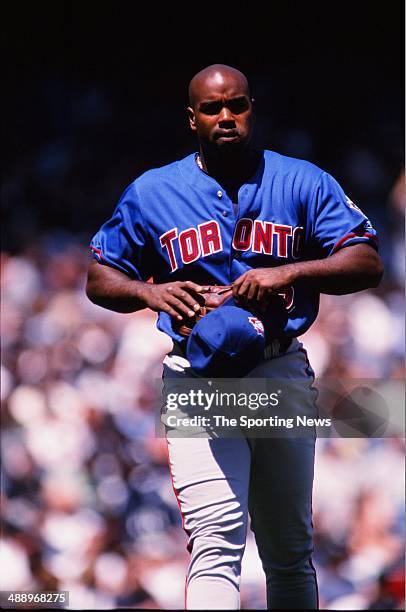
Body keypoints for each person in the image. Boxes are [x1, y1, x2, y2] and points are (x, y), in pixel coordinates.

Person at [86, 64, 383, 610]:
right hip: (198, 376)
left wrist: (292, 271)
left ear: (252, 110)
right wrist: (150, 293)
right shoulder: (154, 191)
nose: (226, 116)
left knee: (289, 549)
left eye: (238, 105)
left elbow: (366, 260)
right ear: (192, 118)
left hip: (276, 367)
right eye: (212, 108)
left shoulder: (301, 180)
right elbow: (99, 276)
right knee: (216, 543)